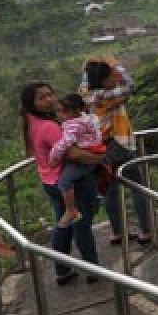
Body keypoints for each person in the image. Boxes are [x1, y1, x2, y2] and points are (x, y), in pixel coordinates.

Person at [21, 82, 102, 285]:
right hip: (70, 183)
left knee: (63, 223)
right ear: (32, 103)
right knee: (81, 224)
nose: (49, 99)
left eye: (50, 94)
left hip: (50, 181)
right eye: (42, 97)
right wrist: (100, 158)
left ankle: (62, 270)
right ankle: (93, 270)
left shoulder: (32, 122)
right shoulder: (49, 126)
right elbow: (72, 153)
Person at [82, 58, 152, 245]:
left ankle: (117, 233)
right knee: (138, 188)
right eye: (113, 76)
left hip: (100, 148)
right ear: (104, 80)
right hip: (119, 144)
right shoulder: (111, 94)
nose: (117, 77)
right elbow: (130, 84)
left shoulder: (87, 94)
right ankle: (145, 231)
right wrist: (115, 63)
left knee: (110, 190)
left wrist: (93, 66)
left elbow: (86, 78)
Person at [47, 94, 106, 229]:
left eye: (65, 111)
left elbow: (66, 143)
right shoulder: (88, 118)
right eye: (59, 111)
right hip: (95, 152)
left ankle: (71, 210)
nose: (61, 114)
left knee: (64, 182)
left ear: (77, 111)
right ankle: (93, 199)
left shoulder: (72, 124)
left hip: (83, 158)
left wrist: (53, 157)